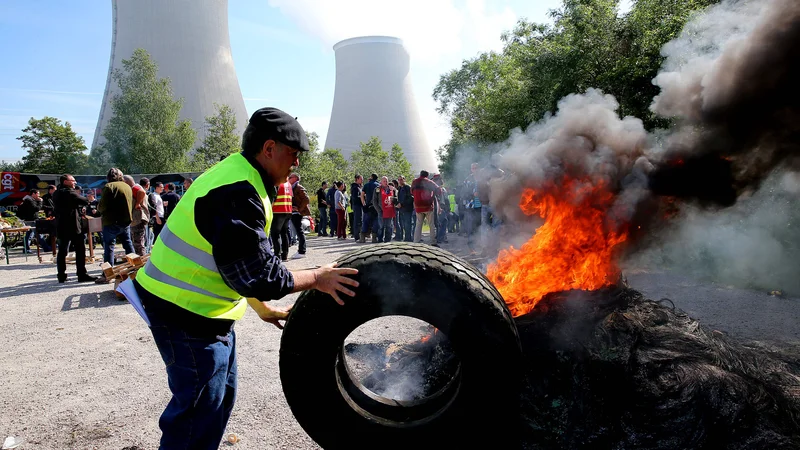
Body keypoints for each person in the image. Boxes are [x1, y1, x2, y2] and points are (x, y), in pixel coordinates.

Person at [133, 107, 358, 449]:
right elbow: (261, 275)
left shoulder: (244, 177)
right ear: (269, 149)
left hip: (203, 312)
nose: (296, 164)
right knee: (197, 414)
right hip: (185, 314)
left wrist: (260, 307)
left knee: (219, 399)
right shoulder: (237, 191)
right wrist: (318, 277)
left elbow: (235, 263)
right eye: (293, 155)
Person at [53, 174, 96, 283]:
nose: (75, 182)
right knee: (80, 250)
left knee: (62, 251)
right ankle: (81, 274)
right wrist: (89, 199)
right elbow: (83, 200)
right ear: (65, 182)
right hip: (72, 226)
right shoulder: (68, 192)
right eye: (73, 180)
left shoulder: (56, 193)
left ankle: (61, 275)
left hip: (61, 226)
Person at [98, 168, 135, 266]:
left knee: (109, 246)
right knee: (128, 244)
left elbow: (102, 206)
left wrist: (99, 209)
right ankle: (135, 267)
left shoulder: (109, 186)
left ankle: (108, 273)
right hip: (125, 221)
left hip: (111, 222)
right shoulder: (127, 186)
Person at [411, 170, 441, 246]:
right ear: (427, 176)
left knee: (418, 224)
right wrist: (433, 194)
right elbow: (439, 190)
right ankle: (433, 242)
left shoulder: (414, 182)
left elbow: (411, 192)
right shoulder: (428, 182)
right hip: (428, 206)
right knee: (431, 224)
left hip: (418, 206)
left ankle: (416, 241)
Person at [126, 175, 150, 256]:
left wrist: (137, 204)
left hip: (138, 219)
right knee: (137, 242)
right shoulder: (135, 188)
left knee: (138, 243)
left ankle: (141, 263)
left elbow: (142, 192)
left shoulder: (134, 188)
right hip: (137, 219)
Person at [288, 173, 309, 259]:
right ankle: (300, 250)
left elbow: (306, 199)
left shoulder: (298, 187)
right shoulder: (292, 187)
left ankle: (302, 251)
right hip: (293, 212)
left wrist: (299, 209)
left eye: (290, 177)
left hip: (298, 213)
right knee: (298, 230)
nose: (289, 178)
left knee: (299, 230)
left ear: (295, 178)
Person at [372, 176, 396, 243]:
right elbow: (374, 201)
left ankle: (387, 240)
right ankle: (380, 239)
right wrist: (378, 210)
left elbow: (396, 197)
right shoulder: (377, 189)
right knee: (381, 226)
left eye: (386, 181)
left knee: (389, 226)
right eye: (384, 181)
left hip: (389, 210)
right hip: (381, 211)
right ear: (381, 182)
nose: (385, 182)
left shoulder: (391, 189)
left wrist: (394, 199)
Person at [18, 189, 42, 254]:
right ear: (33, 194)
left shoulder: (30, 200)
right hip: (30, 219)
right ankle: (46, 247)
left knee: (29, 234)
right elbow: (36, 208)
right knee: (37, 233)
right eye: (38, 193)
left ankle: (26, 248)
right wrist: (40, 202)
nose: (39, 195)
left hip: (30, 219)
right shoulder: (29, 200)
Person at [358, 173, 379, 243]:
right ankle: (374, 238)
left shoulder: (366, 185)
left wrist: (363, 204)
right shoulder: (378, 185)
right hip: (376, 206)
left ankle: (362, 238)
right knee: (376, 221)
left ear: (372, 177)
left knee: (365, 221)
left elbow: (362, 195)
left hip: (368, 206)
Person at [396, 176, 414, 242]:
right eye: (399, 180)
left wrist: (402, 204)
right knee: (403, 224)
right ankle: (404, 237)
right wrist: (397, 203)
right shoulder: (400, 188)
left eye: (401, 179)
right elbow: (399, 198)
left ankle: (408, 238)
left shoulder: (408, 187)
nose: (400, 181)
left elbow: (411, 198)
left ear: (404, 180)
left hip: (407, 209)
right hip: (401, 209)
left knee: (408, 224)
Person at [350, 175, 363, 241]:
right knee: (357, 220)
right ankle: (357, 236)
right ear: (357, 179)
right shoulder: (355, 187)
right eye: (361, 179)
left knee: (359, 220)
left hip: (359, 205)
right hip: (357, 205)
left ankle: (359, 235)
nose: (362, 180)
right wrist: (362, 197)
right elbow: (355, 197)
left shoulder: (359, 187)